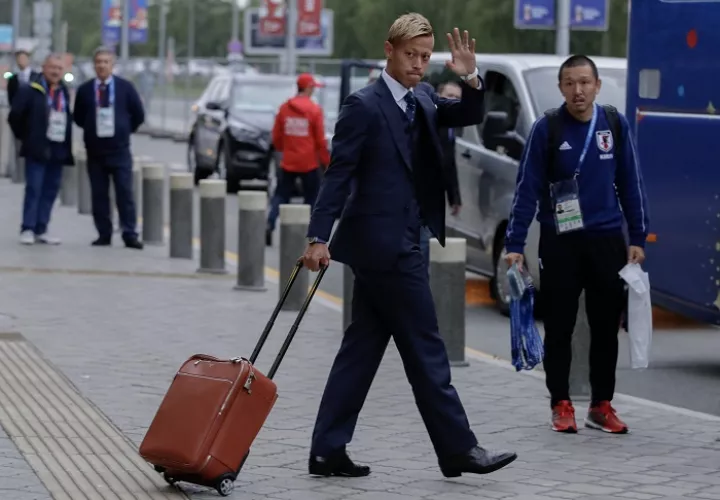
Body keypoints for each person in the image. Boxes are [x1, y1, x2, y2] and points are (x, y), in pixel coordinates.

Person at [301, 13, 517, 478]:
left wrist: (472, 77)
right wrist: (318, 237)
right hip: (385, 247)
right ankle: (458, 448)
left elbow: (469, 113)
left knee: (361, 349)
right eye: (410, 55)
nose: (418, 64)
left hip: (408, 239)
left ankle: (326, 449)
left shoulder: (422, 97)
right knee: (426, 347)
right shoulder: (363, 105)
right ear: (389, 50)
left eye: (424, 56)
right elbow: (337, 175)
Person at [504, 54, 649, 434]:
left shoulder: (613, 125)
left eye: (584, 82)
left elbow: (631, 184)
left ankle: (601, 405)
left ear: (597, 86)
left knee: (605, 327)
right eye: (569, 83)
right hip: (560, 242)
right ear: (561, 88)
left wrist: (637, 236)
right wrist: (515, 243)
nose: (578, 90)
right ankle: (561, 403)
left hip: (605, 240)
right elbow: (527, 190)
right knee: (560, 326)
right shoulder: (547, 129)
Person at [73, 46, 145, 249]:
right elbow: (78, 116)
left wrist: (123, 129)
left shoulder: (125, 88)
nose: (102, 65)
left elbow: (138, 115)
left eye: (106, 62)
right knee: (99, 194)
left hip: (119, 149)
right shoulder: (86, 90)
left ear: (112, 65)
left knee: (125, 192)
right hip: (95, 151)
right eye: (98, 62)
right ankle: (103, 233)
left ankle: (129, 233)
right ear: (94, 65)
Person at [8, 54, 74, 245]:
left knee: (51, 190)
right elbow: (15, 117)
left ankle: (41, 228)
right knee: (34, 188)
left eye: (59, 69)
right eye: (52, 67)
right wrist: (27, 137)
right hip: (37, 147)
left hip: (58, 146)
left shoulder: (63, 90)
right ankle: (27, 227)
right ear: (44, 68)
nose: (55, 72)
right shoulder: (31, 90)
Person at [266, 73, 330, 246]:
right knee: (312, 198)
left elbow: (277, 136)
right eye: (313, 88)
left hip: (289, 161)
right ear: (308, 88)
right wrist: (326, 162)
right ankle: (310, 233)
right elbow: (320, 141)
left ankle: (270, 222)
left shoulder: (285, 108)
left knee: (281, 195)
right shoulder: (314, 110)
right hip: (309, 163)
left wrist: (284, 149)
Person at [417, 80, 463, 267]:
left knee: (425, 245)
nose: (453, 101)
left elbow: (449, 164)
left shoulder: (451, 127)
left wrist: (454, 197)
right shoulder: (427, 121)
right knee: (420, 246)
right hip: (417, 195)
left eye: (457, 98)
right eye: (449, 96)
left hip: (433, 198)